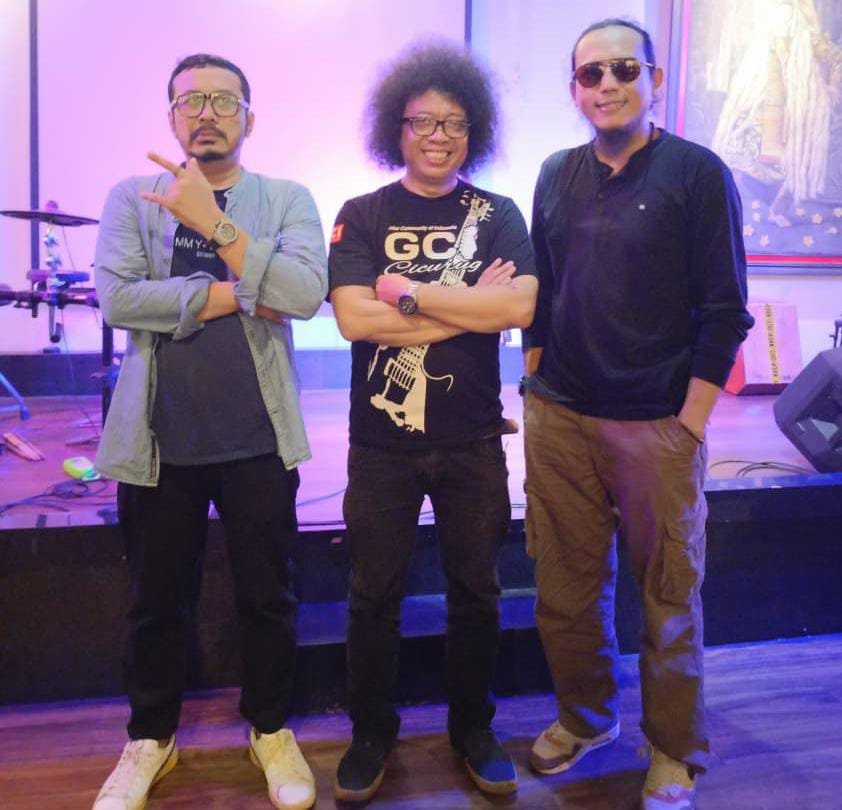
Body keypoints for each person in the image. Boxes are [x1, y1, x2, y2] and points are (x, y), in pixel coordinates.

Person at [523, 19, 754, 810]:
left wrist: (689, 423)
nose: (607, 85)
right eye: (591, 74)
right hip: (561, 418)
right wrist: (534, 381)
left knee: (668, 595)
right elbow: (542, 292)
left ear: (654, 80)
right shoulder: (555, 174)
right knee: (563, 588)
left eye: (624, 69)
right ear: (574, 89)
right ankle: (586, 720)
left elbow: (725, 310)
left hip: (657, 425)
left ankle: (674, 749)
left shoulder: (697, 173)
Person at [92, 53, 327, 810]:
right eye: (191, 101)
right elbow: (119, 300)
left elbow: (302, 294)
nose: (207, 113)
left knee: (269, 595)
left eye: (225, 101)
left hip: (259, 437)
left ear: (249, 118)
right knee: (155, 601)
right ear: (171, 116)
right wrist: (233, 292)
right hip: (159, 441)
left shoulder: (284, 198)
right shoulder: (132, 198)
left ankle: (270, 730)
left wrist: (213, 223)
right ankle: (150, 740)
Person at [328, 42, 537, 802]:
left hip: (473, 441)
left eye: (453, 122)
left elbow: (519, 306)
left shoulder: (498, 215)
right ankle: (370, 733)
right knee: (372, 594)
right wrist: (470, 309)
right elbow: (354, 321)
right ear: (398, 127)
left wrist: (410, 298)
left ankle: (473, 729)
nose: (438, 135)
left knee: (476, 592)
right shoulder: (362, 214)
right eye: (422, 121)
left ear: (472, 129)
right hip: (381, 445)